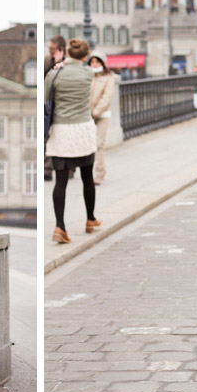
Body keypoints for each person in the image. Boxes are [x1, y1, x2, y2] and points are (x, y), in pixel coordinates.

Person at [45, 38, 99, 243]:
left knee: (61, 181)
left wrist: (58, 66)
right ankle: (90, 219)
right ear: (85, 56)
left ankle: (60, 227)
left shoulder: (55, 73)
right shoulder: (88, 73)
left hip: (61, 131)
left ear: (67, 52)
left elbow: (45, 99)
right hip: (82, 130)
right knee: (87, 177)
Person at [88, 51, 115, 185]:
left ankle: (99, 173)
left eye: (97, 62)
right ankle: (87, 171)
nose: (94, 64)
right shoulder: (88, 76)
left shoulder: (108, 78)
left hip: (102, 115)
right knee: (88, 144)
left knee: (99, 144)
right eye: (92, 62)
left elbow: (107, 97)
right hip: (87, 115)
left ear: (102, 63)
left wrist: (96, 111)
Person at [44, 35, 68, 181]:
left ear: (61, 49)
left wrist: (60, 63)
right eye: (49, 48)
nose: (50, 51)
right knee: (47, 136)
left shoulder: (69, 62)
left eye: (52, 49)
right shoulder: (47, 60)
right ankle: (47, 169)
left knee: (64, 137)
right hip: (49, 105)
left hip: (63, 104)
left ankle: (69, 169)